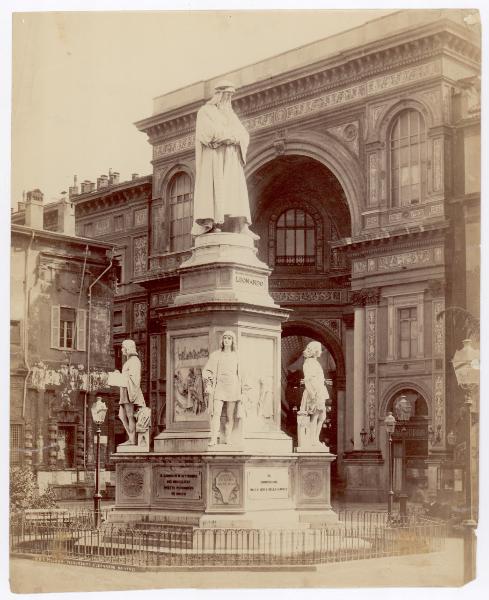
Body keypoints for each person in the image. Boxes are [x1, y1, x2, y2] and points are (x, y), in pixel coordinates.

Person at [191, 80, 258, 239]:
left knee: (235, 190)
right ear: (218, 94)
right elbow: (208, 134)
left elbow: (243, 134)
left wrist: (233, 137)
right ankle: (212, 224)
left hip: (231, 157)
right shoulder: (205, 111)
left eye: (231, 96)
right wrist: (229, 136)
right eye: (226, 95)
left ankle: (242, 225)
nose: (228, 99)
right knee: (216, 188)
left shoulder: (231, 115)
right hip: (215, 158)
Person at [202, 331, 242, 446]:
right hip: (219, 386)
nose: (227, 340)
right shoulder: (216, 355)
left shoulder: (237, 356)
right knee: (216, 413)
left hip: (233, 386)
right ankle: (214, 438)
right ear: (222, 340)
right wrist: (208, 384)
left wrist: (243, 391)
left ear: (233, 340)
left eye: (229, 338)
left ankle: (228, 438)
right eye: (225, 338)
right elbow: (207, 370)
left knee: (230, 415)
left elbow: (242, 373)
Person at [300, 341, 331, 447]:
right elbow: (309, 379)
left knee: (322, 416)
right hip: (315, 391)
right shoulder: (309, 362)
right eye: (320, 349)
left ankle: (315, 439)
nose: (321, 351)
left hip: (319, 390)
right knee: (315, 416)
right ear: (315, 350)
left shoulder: (314, 362)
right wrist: (313, 393)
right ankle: (313, 440)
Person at [118, 339, 146, 445]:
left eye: (123, 347)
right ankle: (131, 437)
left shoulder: (134, 360)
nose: (121, 350)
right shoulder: (129, 361)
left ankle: (132, 439)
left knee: (130, 415)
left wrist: (122, 376)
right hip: (125, 390)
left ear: (128, 348)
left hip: (130, 391)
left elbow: (135, 378)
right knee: (122, 415)